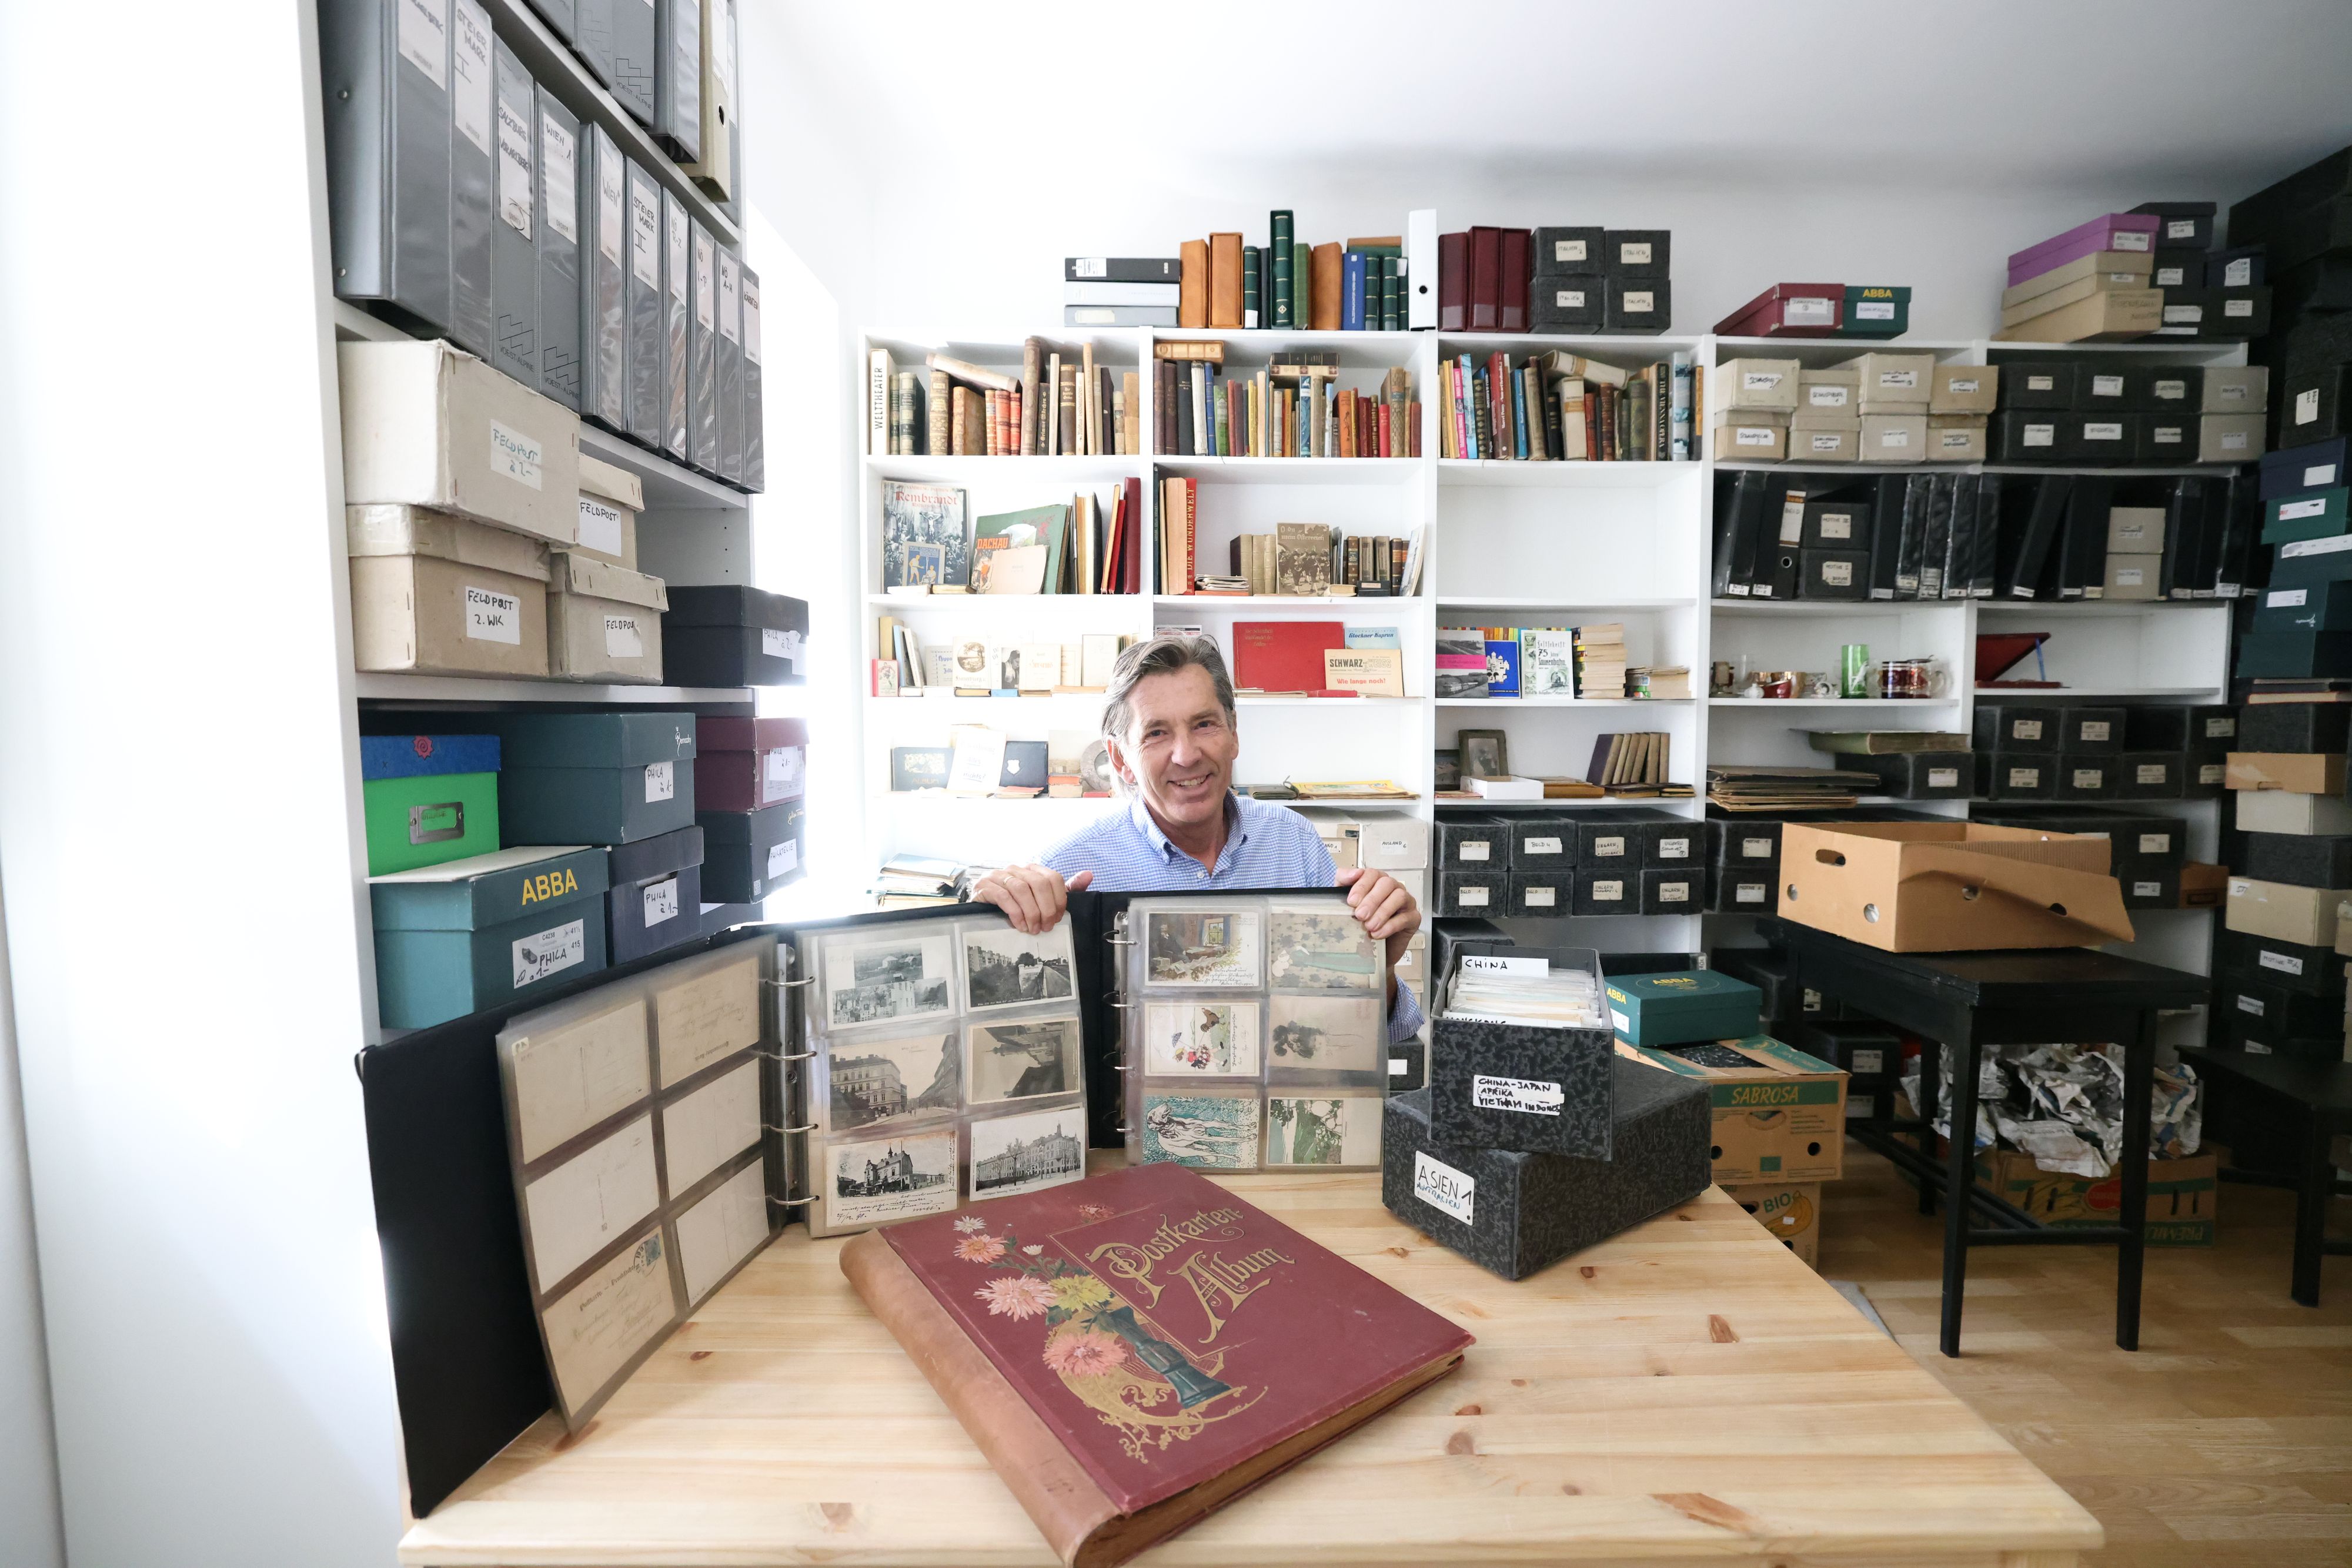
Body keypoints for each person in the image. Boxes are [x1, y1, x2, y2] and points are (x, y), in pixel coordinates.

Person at [971, 635, 1425, 1042]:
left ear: (1233, 732)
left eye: (1204, 724)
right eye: (1156, 733)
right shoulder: (1068, 865)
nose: (1187, 755)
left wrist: (1377, 965)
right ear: (1121, 760)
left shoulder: (1295, 842)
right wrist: (993, 916)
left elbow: (1385, 1033)